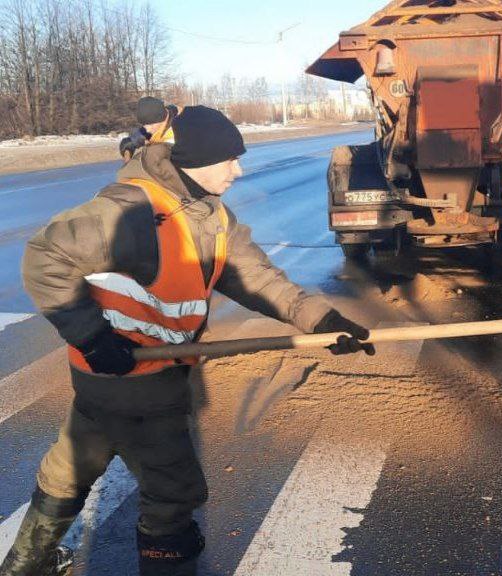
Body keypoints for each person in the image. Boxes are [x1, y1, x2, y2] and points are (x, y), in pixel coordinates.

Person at [1, 106, 374, 576]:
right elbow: (44, 258)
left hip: (118, 380)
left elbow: (257, 278)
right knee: (174, 494)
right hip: (137, 382)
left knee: (71, 467)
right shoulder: (131, 211)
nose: (238, 171)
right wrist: (93, 337)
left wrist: (323, 320)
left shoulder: (211, 214)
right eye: (228, 161)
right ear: (194, 160)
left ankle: (23, 564)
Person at [120, 97, 180, 161]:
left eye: (150, 124)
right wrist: (127, 151)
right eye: (144, 124)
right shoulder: (149, 130)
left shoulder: (180, 130)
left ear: (162, 119)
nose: (147, 129)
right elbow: (128, 142)